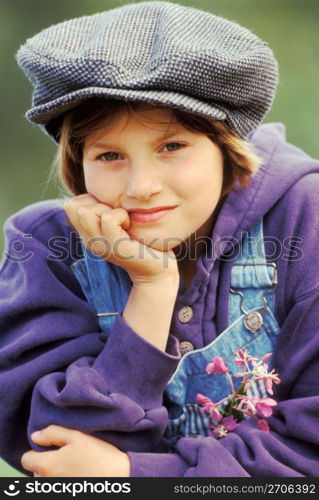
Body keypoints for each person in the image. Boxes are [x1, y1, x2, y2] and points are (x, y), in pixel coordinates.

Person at [0, 1, 319, 478]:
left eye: (172, 146)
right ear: (76, 161)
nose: (141, 186)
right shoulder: (45, 245)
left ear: (227, 146)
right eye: (109, 155)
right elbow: (56, 455)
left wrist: (142, 474)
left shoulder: (303, 220)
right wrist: (150, 291)